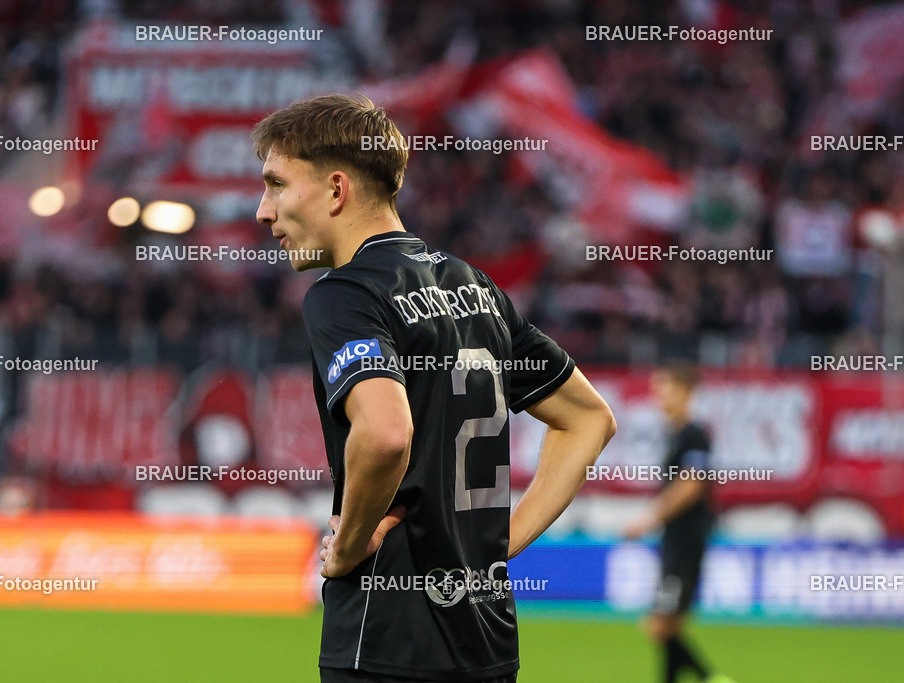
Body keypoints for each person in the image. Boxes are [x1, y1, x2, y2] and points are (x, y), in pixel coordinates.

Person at [253, 93, 616, 682]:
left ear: (337, 190)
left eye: (276, 185)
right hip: (486, 637)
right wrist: (501, 542)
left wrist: (346, 546)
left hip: (389, 636)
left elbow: (386, 433)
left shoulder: (344, 294)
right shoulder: (476, 288)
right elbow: (589, 419)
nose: (263, 211)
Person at [623, 364, 731, 683]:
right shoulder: (676, 435)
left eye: (666, 388)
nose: (659, 395)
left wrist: (649, 518)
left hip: (687, 543)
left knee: (659, 624)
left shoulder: (695, 435)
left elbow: (692, 485)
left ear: (686, 392)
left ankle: (711, 678)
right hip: (675, 541)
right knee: (668, 626)